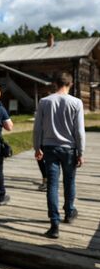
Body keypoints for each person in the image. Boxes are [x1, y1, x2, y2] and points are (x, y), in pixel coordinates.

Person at [33, 72, 85, 239]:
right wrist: (80, 152)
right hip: (69, 149)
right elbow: (79, 131)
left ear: (55, 84)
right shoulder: (76, 102)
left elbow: (37, 128)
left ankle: (54, 224)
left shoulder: (44, 101)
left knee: (52, 186)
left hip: (49, 148)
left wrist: (37, 147)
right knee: (69, 181)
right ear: (70, 84)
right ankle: (69, 212)